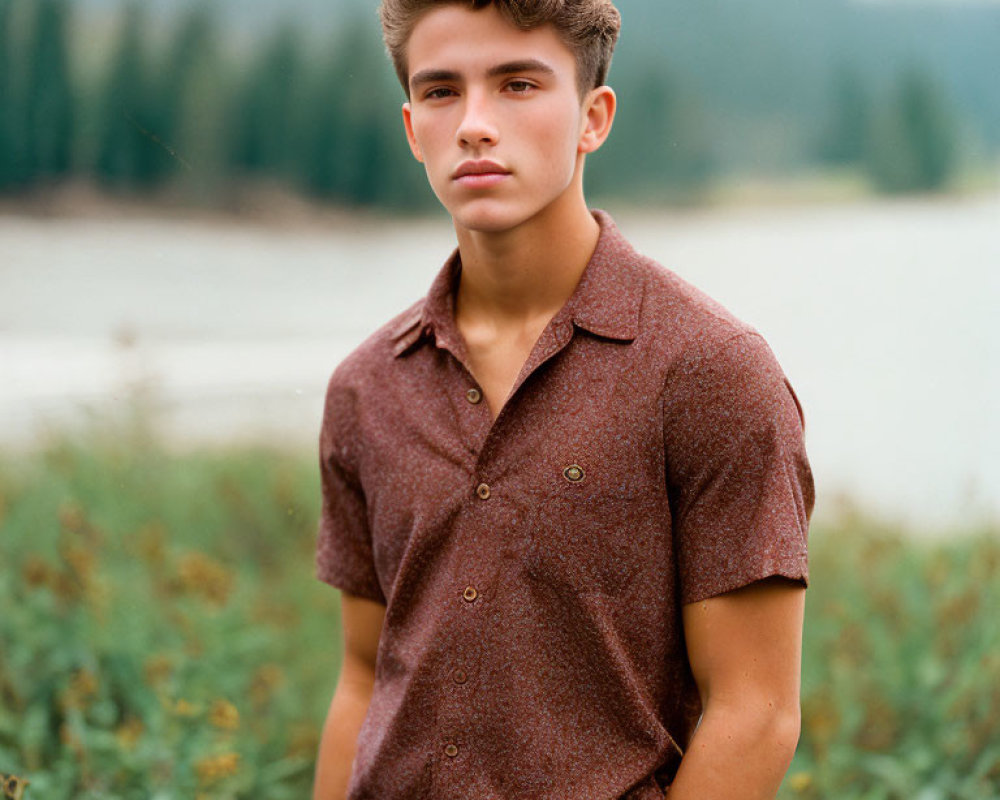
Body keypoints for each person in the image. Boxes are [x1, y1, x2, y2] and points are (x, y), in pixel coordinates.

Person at [312, 1, 814, 798]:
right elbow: (363, 675)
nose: (475, 124)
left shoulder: (711, 372)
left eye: (517, 85)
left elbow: (755, 713)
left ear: (593, 117)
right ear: (412, 128)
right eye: (442, 92)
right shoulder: (365, 388)